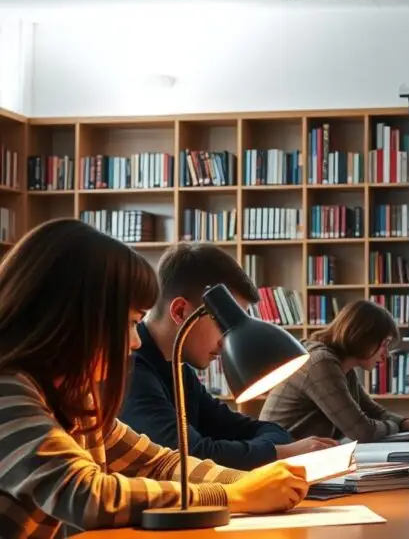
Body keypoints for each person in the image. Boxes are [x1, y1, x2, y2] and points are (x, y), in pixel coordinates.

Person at [0, 219, 307, 539]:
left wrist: (251, 483)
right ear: (74, 317)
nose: (135, 342)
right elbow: (86, 495)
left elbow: (158, 464)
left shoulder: (75, 398)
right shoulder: (7, 391)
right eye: (131, 323)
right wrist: (233, 494)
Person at [120, 242, 337, 470]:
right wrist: (280, 453)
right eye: (224, 324)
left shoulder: (178, 369)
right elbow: (191, 456)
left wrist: (271, 449)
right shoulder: (131, 370)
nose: (227, 342)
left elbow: (263, 430)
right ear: (181, 312)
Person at [260, 299, 409, 441]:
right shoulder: (321, 363)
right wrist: (397, 427)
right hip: (280, 464)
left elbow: (371, 410)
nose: (386, 355)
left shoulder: (342, 365)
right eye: (385, 344)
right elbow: (362, 431)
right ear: (363, 338)